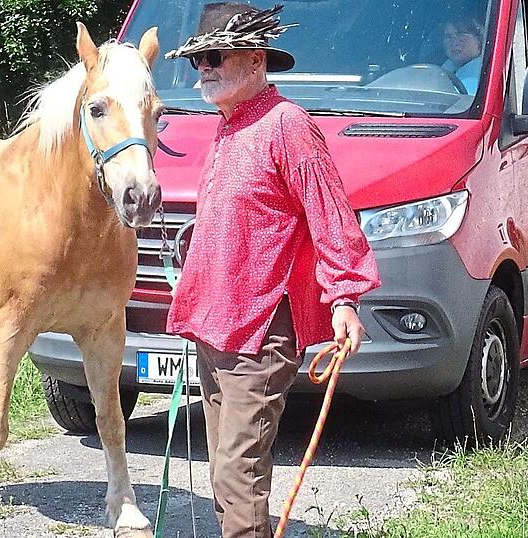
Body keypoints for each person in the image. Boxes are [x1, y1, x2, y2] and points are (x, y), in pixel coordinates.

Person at [164, 3, 381, 537]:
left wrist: (345, 299)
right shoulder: (228, 127)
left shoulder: (287, 125)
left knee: (238, 472)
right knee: (224, 472)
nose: (203, 69)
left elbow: (331, 215)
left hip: (262, 329)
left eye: (215, 57)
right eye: (197, 60)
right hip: (216, 325)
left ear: (255, 59)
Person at [440, 17, 484, 94]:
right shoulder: (446, 67)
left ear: (479, 39)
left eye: (460, 34)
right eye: (448, 37)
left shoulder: (479, 75)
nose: (454, 43)